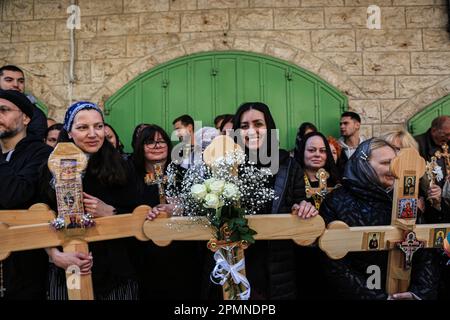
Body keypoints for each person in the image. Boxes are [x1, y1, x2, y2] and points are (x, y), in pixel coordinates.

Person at [193, 102, 319, 300]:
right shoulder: (223, 163)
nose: (251, 131)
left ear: (269, 127)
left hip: (275, 265)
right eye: (244, 126)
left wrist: (304, 207)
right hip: (233, 260)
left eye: (258, 124)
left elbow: (299, 201)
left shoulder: (287, 163)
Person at [40, 101, 140, 300]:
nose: (93, 134)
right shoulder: (49, 168)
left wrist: (111, 212)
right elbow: (40, 217)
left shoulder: (122, 166)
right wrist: (55, 256)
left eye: (99, 126)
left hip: (116, 272)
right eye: (83, 127)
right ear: (69, 132)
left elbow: (139, 213)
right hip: (67, 270)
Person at [319, 138, 440, 299]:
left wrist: (417, 294)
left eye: (396, 162)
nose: (394, 169)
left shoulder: (405, 199)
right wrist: (381, 298)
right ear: (363, 165)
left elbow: (425, 252)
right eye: (386, 163)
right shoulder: (335, 202)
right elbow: (335, 266)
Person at [130, 125, 205, 299]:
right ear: (140, 146)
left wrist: (180, 207)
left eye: (161, 141)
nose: (157, 146)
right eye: (150, 142)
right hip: (145, 253)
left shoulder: (184, 174)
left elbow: (199, 206)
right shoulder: (131, 175)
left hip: (182, 253)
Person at [0, 89, 52, 299]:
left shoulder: (41, 154)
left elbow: (14, 195)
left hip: (27, 263)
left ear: (26, 117)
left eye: (3, 110)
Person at [0, 65, 47, 140]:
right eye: (9, 80)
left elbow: (34, 143)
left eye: (21, 81)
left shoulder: (35, 113)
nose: (16, 85)